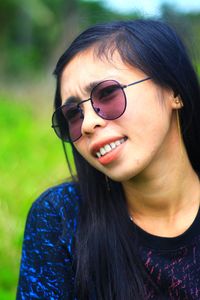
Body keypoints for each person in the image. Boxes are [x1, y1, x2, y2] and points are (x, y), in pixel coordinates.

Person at [17, 19, 200, 299]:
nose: (88, 123)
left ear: (174, 91)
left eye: (108, 94)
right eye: (73, 115)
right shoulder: (61, 217)